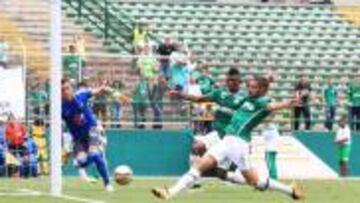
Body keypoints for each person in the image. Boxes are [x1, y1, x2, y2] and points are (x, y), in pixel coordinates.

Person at [152, 76, 303, 200]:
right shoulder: (245, 101)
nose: (250, 89)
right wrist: (181, 95)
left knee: (254, 181)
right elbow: (201, 99)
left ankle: (290, 190)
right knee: (199, 166)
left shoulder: (262, 102)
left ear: (263, 90)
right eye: (249, 86)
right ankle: (169, 192)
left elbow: (272, 106)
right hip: (226, 141)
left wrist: (289, 102)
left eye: (254, 87)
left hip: (239, 143)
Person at [169, 68, 248, 186]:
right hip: (217, 133)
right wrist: (180, 94)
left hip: (231, 138)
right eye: (229, 80)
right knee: (197, 147)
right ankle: (194, 181)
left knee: (221, 174)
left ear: (239, 82)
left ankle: (251, 182)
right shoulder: (220, 94)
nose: (230, 82)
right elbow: (199, 99)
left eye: (234, 80)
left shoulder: (244, 99)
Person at [61, 78, 114, 191]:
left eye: (67, 88)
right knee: (82, 160)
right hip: (78, 138)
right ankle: (80, 163)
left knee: (95, 155)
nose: (66, 91)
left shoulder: (81, 95)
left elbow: (96, 91)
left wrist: (105, 88)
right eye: (63, 89)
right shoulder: (60, 107)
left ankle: (107, 183)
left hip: (92, 131)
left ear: (72, 88)